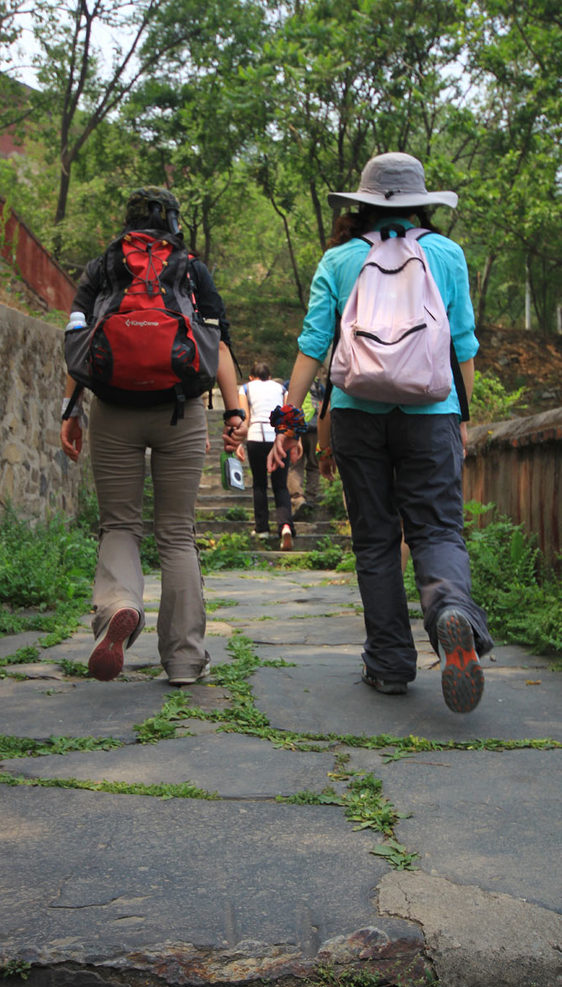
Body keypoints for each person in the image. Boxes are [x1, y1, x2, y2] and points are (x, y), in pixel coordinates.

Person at [268, 152, 493, 714]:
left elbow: (313, 347)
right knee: (437, 530)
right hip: (432, 412)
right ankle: (450, 612)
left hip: (356, 414)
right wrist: (461, 419)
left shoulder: (340, 259)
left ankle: (390, 665)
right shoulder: (446, 254)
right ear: (421, 204)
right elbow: (462, 344)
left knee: (375, 540)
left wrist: (290, 425)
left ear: (362, 204)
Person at [60, 185, 247, 686]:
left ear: (128, 221)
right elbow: (218, 345)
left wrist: (70, 411)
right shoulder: (191, 270)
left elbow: (78, 343)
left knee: (120, 525)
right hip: (179, 411)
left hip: (114, 409)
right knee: (177, 534)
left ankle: (119, 606)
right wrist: (234, 411)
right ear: (175, 223)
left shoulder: (103, 268)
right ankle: (184, 659)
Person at [236, 362, 295, 550]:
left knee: (260, 484)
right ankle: (285, 526)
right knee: (281, 485)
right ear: (269, 377)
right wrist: (296, 441)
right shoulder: (281, 388)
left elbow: (245, 418)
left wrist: (238, 443)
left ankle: (262, 528)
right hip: (279, 438)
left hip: (256, 437)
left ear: (251, 377)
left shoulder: (246, 388)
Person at [286, 371, 325, 520]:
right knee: (314, 465)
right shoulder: (319, 386)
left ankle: (298, 497)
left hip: (299, 428)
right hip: (316, 428)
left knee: (295, 464)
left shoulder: (291, 383)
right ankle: (311, 498)